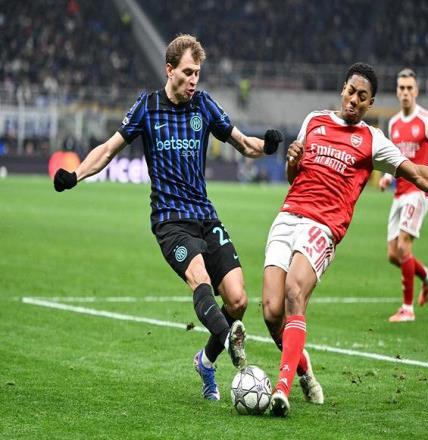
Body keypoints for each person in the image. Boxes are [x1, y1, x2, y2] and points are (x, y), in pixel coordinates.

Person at [53, 34, 283, 401]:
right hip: (170, 221)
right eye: (188, 72)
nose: (194, 80)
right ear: (169, 69)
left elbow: (242, 142)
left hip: (205, 216)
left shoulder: (204, 105)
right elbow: (109, 149)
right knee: (199, 278)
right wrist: (75, 175)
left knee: (238, 300)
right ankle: (230, 341)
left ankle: (206, 361)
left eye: (198, 73)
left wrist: (267, 145)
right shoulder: (147, 107)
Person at [262, 62, 428, 417]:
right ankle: (303, 369)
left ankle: (281, 389)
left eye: (362, 97)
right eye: (351, 92)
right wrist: (292, 161)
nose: (354, 100)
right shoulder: (313, 120)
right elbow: (294, 176)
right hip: (287, 217)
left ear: (370, 103)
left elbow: (416, 172)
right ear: (342, 90)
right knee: (272, 313)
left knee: (293, 292)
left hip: (324, 226)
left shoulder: (373, 140)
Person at [378, 68, 428, 322]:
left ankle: (407, 309)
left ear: (416, 91)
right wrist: (387, 177)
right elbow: (394, 158)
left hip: (419, 192)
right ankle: (427, 276)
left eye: (409, 88)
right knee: (393, 255)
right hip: (399, 193)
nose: (405, 92)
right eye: (401, 88)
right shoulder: (393, 123)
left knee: (403, 246)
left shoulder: (426, 120)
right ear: (396, 91)